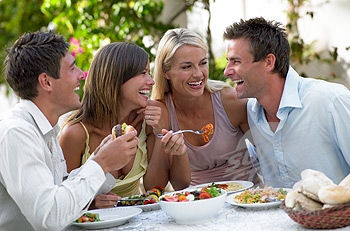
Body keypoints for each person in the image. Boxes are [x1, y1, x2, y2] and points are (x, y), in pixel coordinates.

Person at [0, 31, 141, 230]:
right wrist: (101, 163)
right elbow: (50, 216)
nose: (82, 74)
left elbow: (60, 191)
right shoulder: (16, 133)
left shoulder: (45, 129)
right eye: (72, 68)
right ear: (46, 82)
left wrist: (101, 159)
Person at [223, 17, 350, 188]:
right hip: (279, 213)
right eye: (228, 61)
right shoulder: (251, 112)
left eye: (236, 61)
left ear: (268, 62)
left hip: (337, 214)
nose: (226, 71)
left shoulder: (329, 101)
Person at [60, 42, 190, 208]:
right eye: (143, 73)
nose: (151, 81)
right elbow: (61, 201)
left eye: (149, 73)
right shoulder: (75, 134)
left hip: (136, 220)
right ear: (116, 78)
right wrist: (90, 204)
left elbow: (154, 187)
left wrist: (159, 133)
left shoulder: (151, 115)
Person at [151, 28, 260, 186]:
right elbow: (170, 186)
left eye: (203, 63)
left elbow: (269, 153)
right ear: (166, 72)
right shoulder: (161, 112)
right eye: (187, 67)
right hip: (197, 202)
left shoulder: (230, 101)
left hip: (246, 198)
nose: (198, 74)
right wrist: (159, 134)